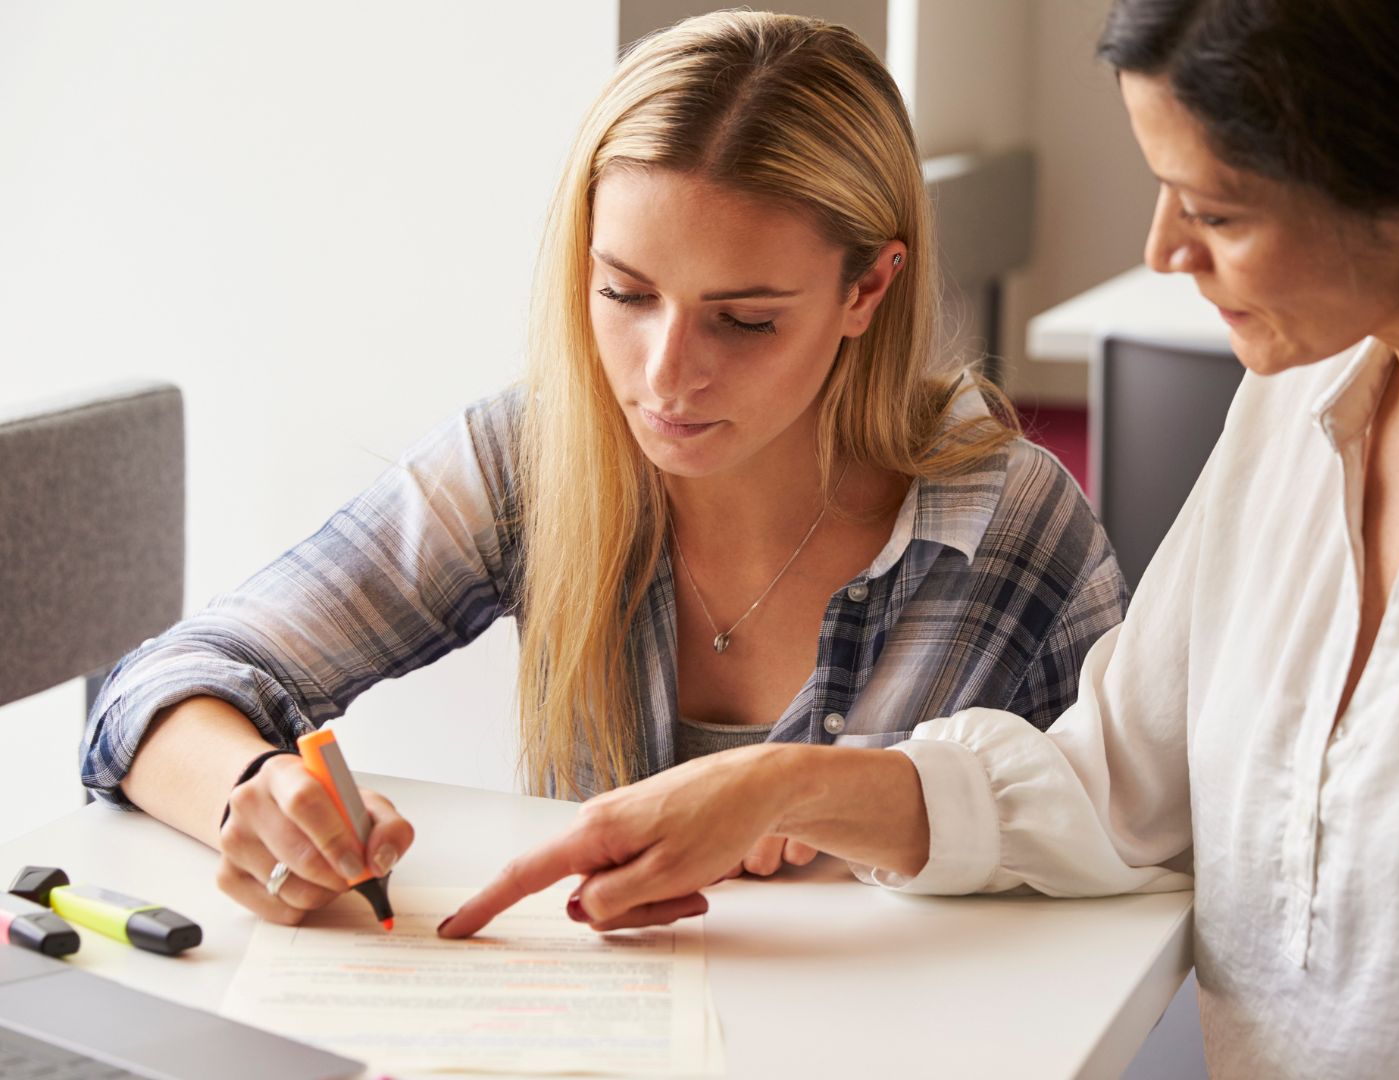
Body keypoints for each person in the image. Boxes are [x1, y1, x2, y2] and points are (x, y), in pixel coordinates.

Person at [439, 0, 1399, 1075]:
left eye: (1217, 205)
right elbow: (1114, 789)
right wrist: (782, 785)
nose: (1161, 250)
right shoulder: (1299, 417)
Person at [81, 11, 1124, 932]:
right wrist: (252, 796)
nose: (664, 377)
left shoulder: (1008, 524)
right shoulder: (532, 457)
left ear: (869, 290)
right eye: (625, 294)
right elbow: (162, 687)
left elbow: (1149, 851)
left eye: (745, 319)